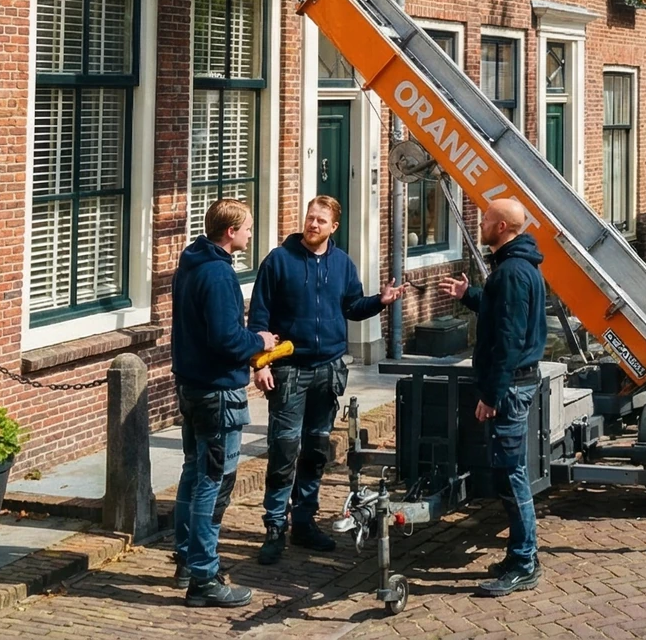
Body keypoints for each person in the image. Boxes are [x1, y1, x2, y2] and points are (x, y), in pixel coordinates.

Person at [247, 194, 403, 565]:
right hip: (288, 370)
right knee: (284, 450)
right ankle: (273, 527)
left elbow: (351, 307)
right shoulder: (279, 261)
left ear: (334, 227)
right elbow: (259, 316)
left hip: (329, 369)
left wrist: (379, 301)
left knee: (316, 450)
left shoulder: (342, 264)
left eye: (321, 220)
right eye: (310, 218)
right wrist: (260, 364)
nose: (313, 224)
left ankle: (304, 521)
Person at [436, 198, 547, 597]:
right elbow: (501, 314)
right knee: (508, 472)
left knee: (511, 474)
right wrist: (471, 296)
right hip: (515, 382)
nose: (479, 223)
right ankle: (521, 553)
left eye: (485, 219)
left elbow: (509, 339)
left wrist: (492, 394)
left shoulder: (513, 272)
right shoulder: (517, 267)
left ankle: (524, 560)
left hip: (511, 385)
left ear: (501, 227)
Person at [171, 197, 276, 608]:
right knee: (213, 484)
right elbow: (225, 338)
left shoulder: (191, 264)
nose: (251, 234)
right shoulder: (217, 275)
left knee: (193, 473)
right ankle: (204, 577)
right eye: (248, 228)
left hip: (193, 387)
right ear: (230, 232)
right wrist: (261, 342)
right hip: (217, 393)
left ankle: (186, 560)